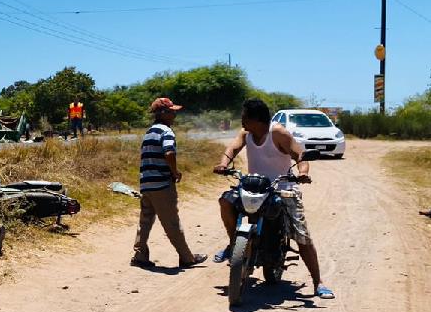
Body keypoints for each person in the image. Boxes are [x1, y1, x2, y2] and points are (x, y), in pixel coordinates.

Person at [213, 98, 334, 300]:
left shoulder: (277, 133)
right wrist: (223, 164)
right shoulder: (246, 134)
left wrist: (302, 172)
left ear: (256, 119)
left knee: (301, 234)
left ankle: (318, 282)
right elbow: (232, 149)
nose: (241, 120)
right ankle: (235, 243)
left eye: (244, 117)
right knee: (226, 201)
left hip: (281, 186)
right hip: (253, 185)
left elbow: (299, 154)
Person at [131, 97, 208, 269]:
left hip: (146, 184)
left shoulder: (150, 131)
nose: (174, 114)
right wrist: (175, 172)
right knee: (171, 222)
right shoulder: (166, 132)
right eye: (172, 111)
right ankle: (187, 258)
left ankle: (139, 255)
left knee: (145, 221)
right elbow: (169, 153)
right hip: (162, 185)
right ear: (163, 113)